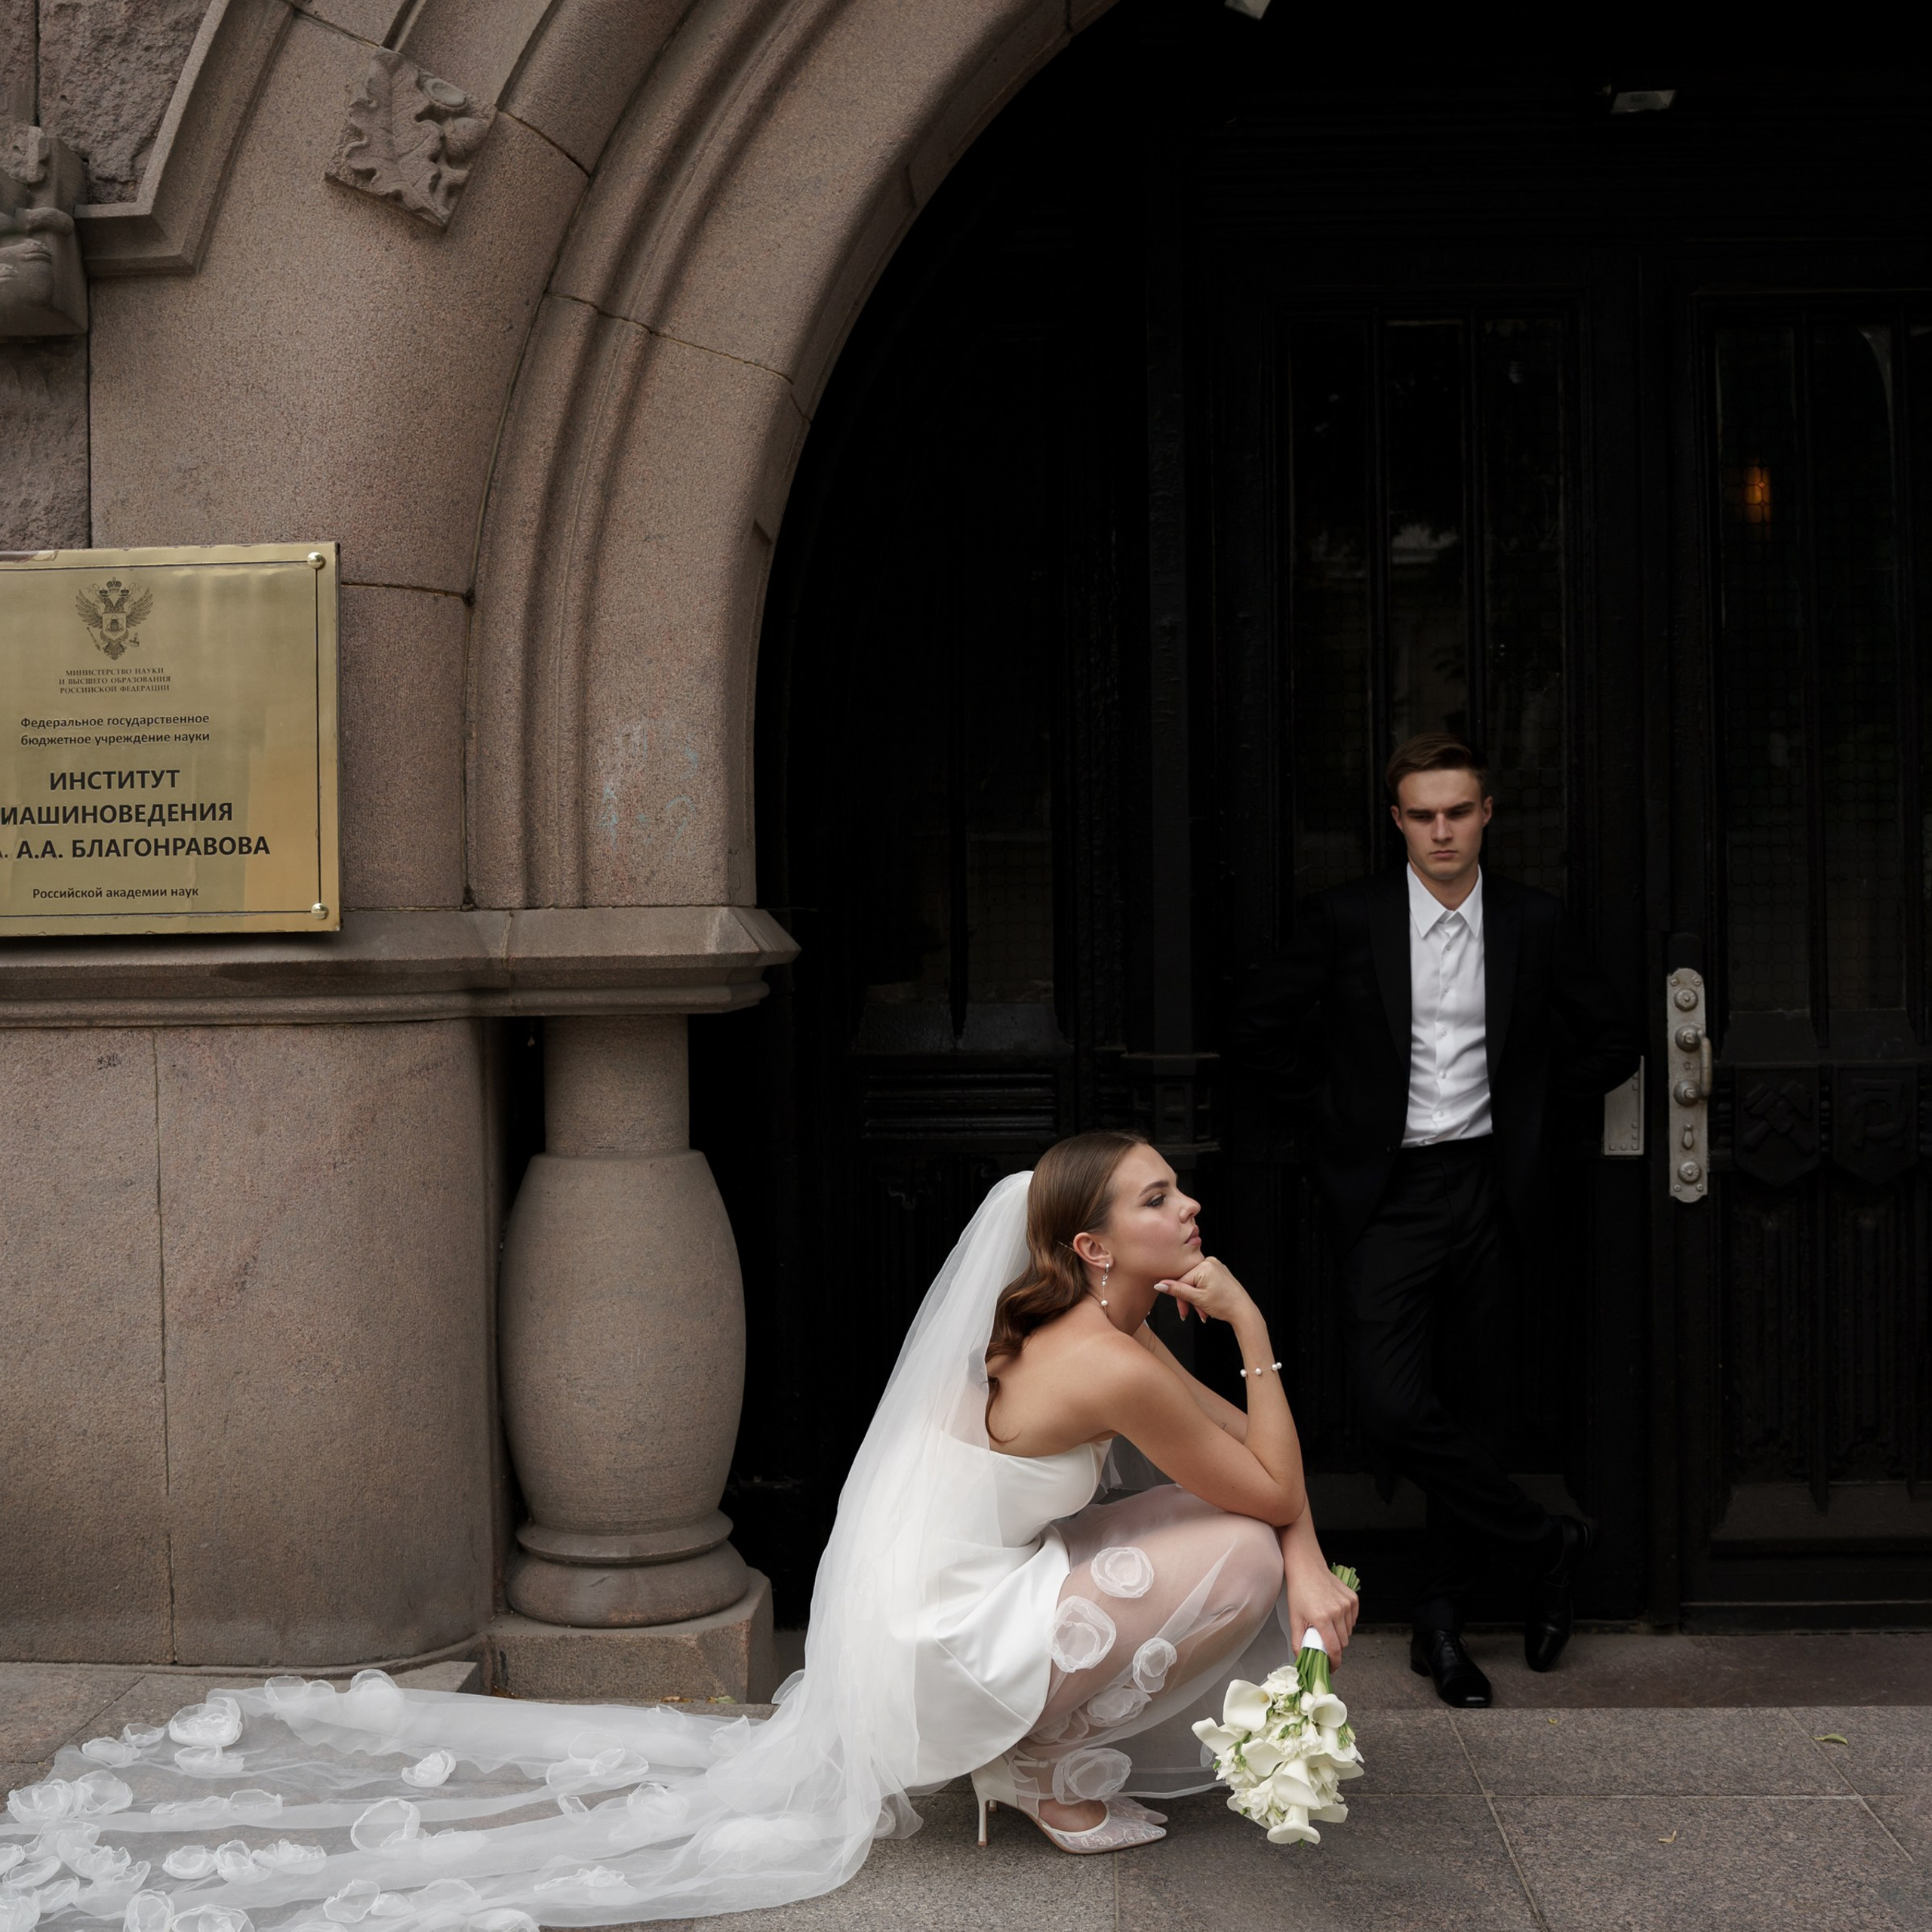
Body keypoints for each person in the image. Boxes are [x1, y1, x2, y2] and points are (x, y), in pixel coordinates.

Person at [1, 1135, 1348, 1929]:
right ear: (1097, 1249)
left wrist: (1295, 1548)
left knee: (1220, 1527)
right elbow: (1265, 1493)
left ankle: (1026, 1753)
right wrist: (1255, 1335)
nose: (1190, 1214)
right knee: (1230, 1548)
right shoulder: (1107, 1358)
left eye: (1181, 1195)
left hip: (930, 1613)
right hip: (943, 1640)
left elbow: (1248, 1483)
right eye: (1160, 1201)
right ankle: (1044, 1766)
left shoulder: (1088, 1327)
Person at [1226, 733, 1639, 1709]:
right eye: (1423, 814)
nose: (1442, 830)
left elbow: (1613, 1042)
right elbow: (1260, 1034)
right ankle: (1547, 1546)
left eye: (1459, 811)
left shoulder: (1535, 924)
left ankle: (1443, 1626)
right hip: (1391, 1195)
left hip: (1495, 1192)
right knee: (1390, 1404)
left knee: (1476, 1412)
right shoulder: (1347, 920)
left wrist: (1530, 1104)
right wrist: (1341, 1119)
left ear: (1488, 813)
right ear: (1399, 820)